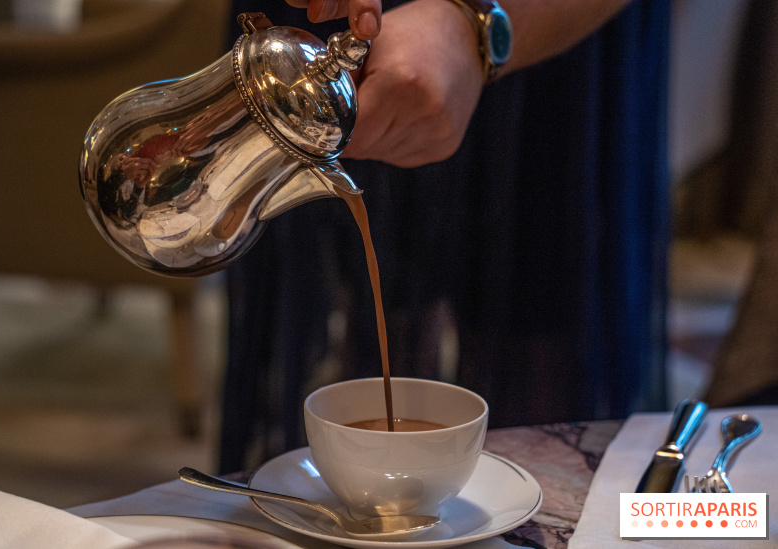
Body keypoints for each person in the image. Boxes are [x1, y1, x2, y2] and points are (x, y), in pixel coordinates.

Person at [219, 0, 671, 472]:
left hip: (553, 44)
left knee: (538, 337)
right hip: (313, 43)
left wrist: (478, 28)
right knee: (347, 325)